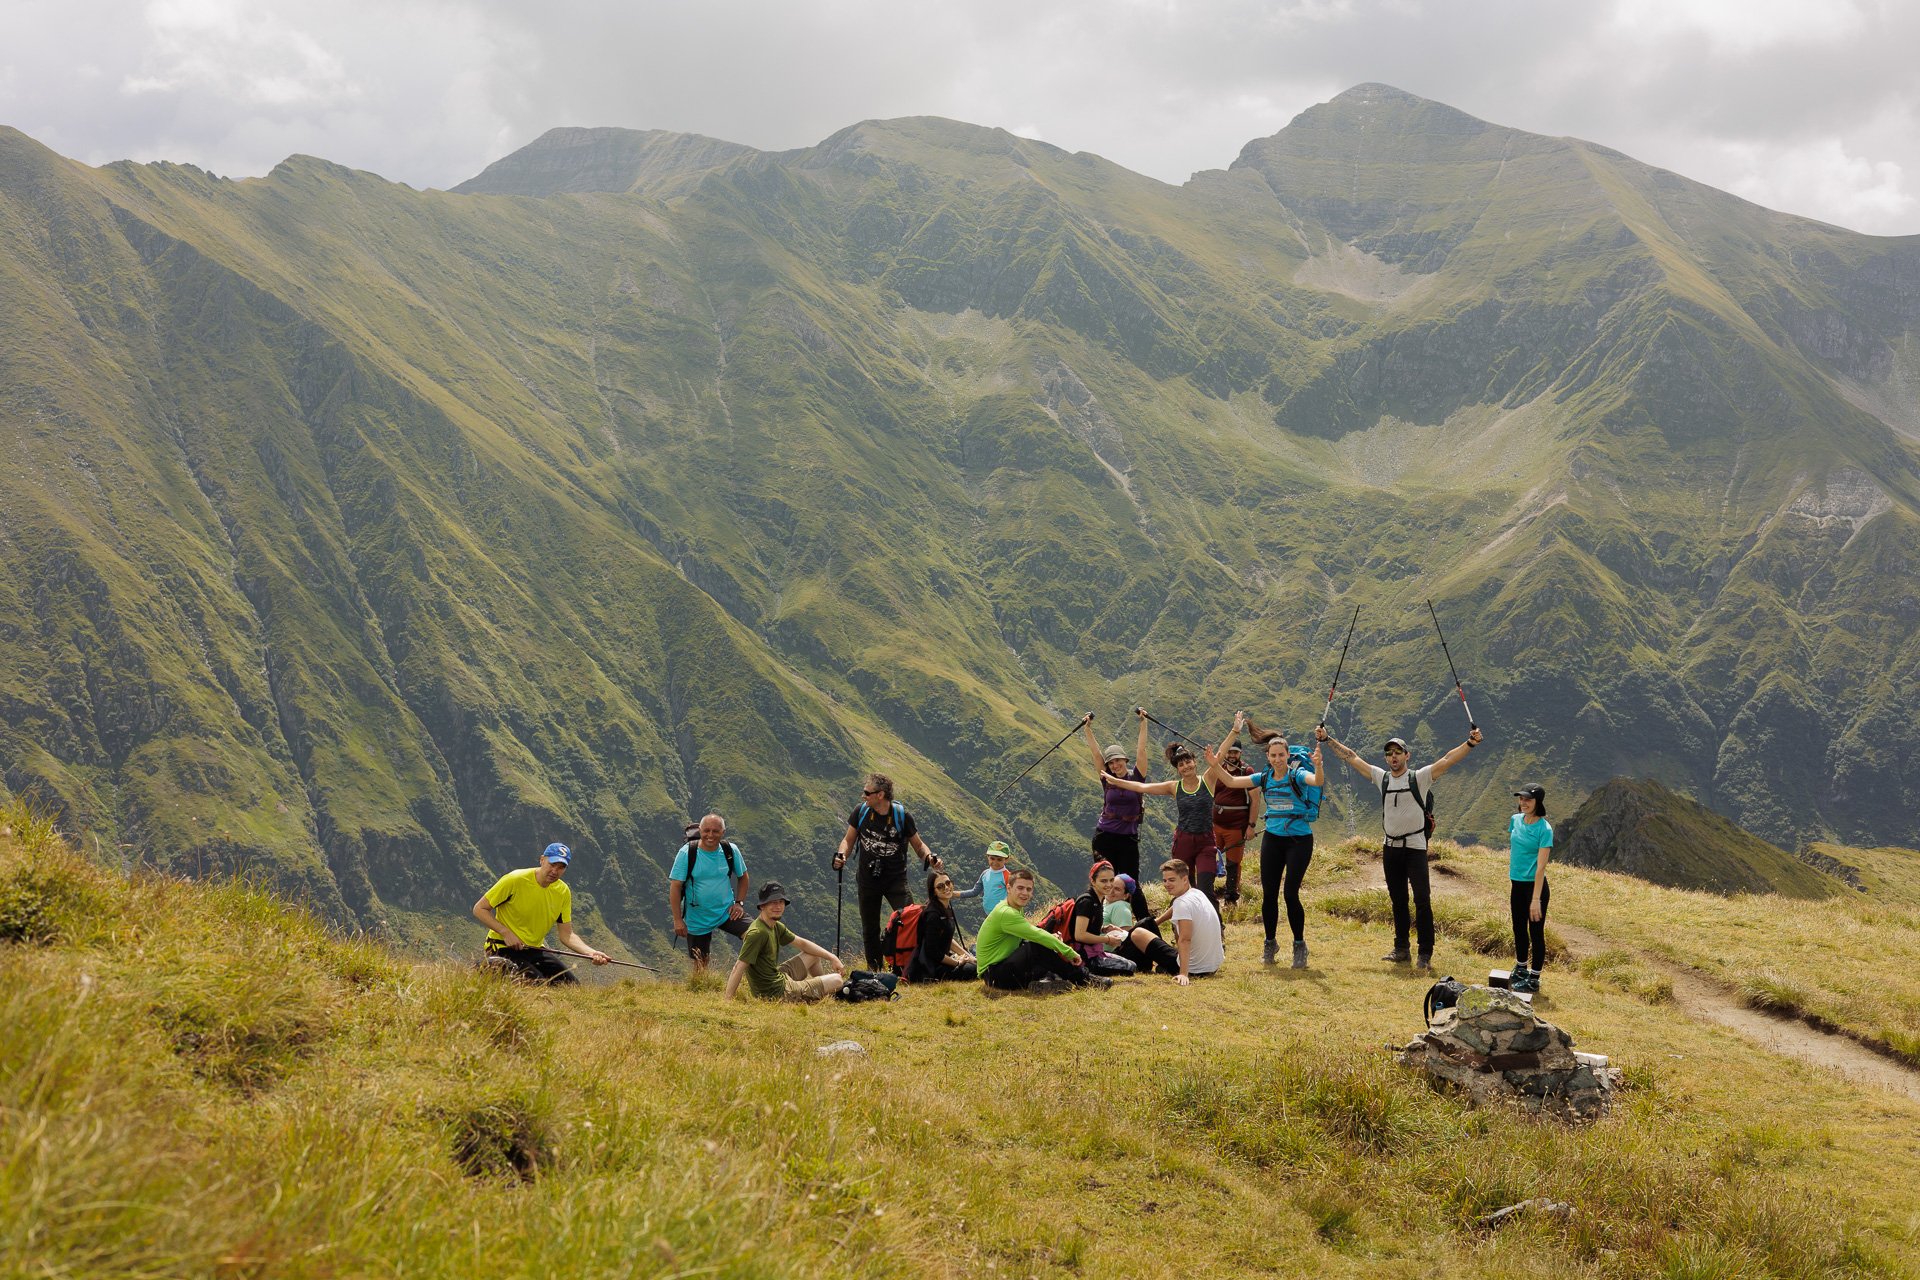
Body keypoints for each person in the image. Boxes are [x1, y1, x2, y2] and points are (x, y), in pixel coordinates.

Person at [1319, 725, 1484, 970]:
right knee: (1398, 900)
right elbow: (1352, 757)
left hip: (1415, 848)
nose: (1393, 757)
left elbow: (1448, 760)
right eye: (1389, 753)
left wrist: (1470, 743)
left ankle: (1425, 953)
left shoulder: (1419, 777)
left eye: (1398, 752)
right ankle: (1401, 949)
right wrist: (1327, 739)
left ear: (1407, 755)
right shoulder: (1381, 778)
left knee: (1422, 900)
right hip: (1390, 847)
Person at [1214, 713, 1326, 968]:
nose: (1277, 759)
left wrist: (1318, 765)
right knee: (1269, 895)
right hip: (1273, 840)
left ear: (1288, 756)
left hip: (1299, 840)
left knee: (1290, 894)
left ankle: (1299, 945)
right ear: (1268, 757)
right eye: (1273, 756)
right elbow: (1231, 781)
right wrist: (1215, 763)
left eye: (1281, 755)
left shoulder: (1297, 775)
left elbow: (1316, 781)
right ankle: (1270, 942)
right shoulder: (1263, 778)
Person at [1097, 718, 1236, 919]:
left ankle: (1216, 930)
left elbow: (1220, 755)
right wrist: (1117, 781)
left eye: (1188, 761)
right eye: (1181, 764)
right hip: (1183, 842)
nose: (1186, 766)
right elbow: (1142, 787)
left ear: (1195, 762)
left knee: (1205, 889)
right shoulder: (1174, 786)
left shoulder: (1208, 780)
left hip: (1206, 842)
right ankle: (1182, 929)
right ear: (1177, 769)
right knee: (1182, 890)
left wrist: (1234, 731)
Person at [833, 774, 942, 970]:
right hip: (867, 879)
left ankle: (910, 964)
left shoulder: (902, 816)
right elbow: (848, 839)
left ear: (880, 794)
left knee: (910, 919)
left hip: (895, 879)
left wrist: (929, 858)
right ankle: (874, 971)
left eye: (867, 792)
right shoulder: (861, 812)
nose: (863, 796)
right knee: (870, 928)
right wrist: (841, 855)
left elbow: (918, 844)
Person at [472, 842, 610, 983]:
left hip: (534, 950)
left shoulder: (562, 891)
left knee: (571, 987)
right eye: (552, 864)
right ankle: (487, 969)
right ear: (542, 860)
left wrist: (591, 953)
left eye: (561, 867)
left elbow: (567, 935)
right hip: (502, 946)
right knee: (537, 986)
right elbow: (479, 909)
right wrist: (506, 932)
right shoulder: (515, 880)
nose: (555, 871)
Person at [977, 869, 1109, 993]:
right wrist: (1068, 952)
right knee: (1037, 945)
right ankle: (1084, 980)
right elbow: (1037, 935)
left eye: (1029, 889)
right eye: (1020, 888)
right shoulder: (1006, 912)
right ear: (1009, 888)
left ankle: (1044, 982)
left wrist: (1050, 938)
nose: (1025, 893)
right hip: (994, 976)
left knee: (1043, 951)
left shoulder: (1014, 907)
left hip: (1002, 969)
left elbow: (1027, 935)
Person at [725, 882, 848, 1003]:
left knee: (814, 955)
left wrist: (832, 957)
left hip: (779, 977)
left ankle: (821, 992)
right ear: (762, 906)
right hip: (775, 993)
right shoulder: (758, 933)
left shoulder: (775, 926)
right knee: (837, 980)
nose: (778, 906)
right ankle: (820, 991)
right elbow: (738, 967)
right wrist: (728, 1001)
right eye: (773, 902)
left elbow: (802, 944)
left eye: (780, 902)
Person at [668, 814, 751, 974]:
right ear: (700, 830)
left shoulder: (730, 850)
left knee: (756, 934)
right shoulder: (687, 853)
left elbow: (744, 877)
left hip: (727, 911)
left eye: (715, 831)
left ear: (723, 832)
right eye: (706, 831)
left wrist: (739, 903)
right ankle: (701, 990)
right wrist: (678, 920)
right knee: (700, 963)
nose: (710, 835)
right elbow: (675, 887)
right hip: (698, 916)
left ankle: (751, 977)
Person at [1071, 859, 1181, 976]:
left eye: (1111, 881)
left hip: (1097, 952)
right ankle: (1176, 962)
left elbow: (1087, 929)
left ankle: (1173, 962)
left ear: (1126, 895)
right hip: (1090, 956)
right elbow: (1080, 935)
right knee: (1146, 925)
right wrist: (1107, 939)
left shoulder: (1099, 900)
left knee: (1145, 925)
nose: (1109, 886)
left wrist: (1103, 929)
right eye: (1103, 881)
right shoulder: (1088, 902)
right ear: (1093, 881)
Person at [1082, 711, 1152, 888]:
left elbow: (1141, 750)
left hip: (1128, 838)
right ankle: (1101, 914)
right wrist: (1087, 729)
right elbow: (1096, 754)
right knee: (1104, 882)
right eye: (1111, 763)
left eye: (1118, 760)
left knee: (1130, 883)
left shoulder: (1137, 777)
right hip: (1104, 836)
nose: (1115, 765)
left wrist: (1143, 723)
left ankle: (1134, 914)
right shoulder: (1106, 778)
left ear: (1125, 760)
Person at [1508, 784, 1554, 995]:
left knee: (1535, 932)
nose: (1523, 803)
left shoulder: (1544, 829)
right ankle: (1521, 969)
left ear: (1538, 802)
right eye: (1521, 799)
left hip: (1534, 888)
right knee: (1518, 927)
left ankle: (1534, 979)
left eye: (1528, 800)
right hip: (1516, 883)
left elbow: (1541, 867)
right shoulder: (1515, 820)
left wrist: (1536, 900)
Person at [1160, 858, 1224, 985]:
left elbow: (1185, 939)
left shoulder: (1181, 903)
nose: (1167, 884)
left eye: (1172, 880)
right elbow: (1178, 908)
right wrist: (1158, 920)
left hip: (1194, 969)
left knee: (1139, 933)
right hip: (1213, 966)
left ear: (1184, 879)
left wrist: (1183, 974)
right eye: (1165, 880)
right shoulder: (1196, 893)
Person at [909, 870, 978, 982]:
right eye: (940, 886)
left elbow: (947, 939)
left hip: (942, 961)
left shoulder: (945, 908)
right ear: (934, 891)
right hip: (933, 968)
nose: (946, 887)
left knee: (976, 961)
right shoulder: (933, 915)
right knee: (974, 970)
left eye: (948, 883)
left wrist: (969, 956)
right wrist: (958, 963)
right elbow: (932, 952)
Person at [1211, 739, 1258, 905]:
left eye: (1235, 752)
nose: (1231, 755)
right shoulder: (1218, 769)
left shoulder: (1246, 771)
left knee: (1233, 863)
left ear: (1240, 753)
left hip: (1236, 826)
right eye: (1229, 752)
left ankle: (1231, 898)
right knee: (1211, 858)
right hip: (1216, 824)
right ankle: (1208, 894)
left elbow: (1255, 799)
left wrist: (1251, 826)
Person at [950, 840, 1012, 919]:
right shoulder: (985, 874)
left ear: (1006, 859)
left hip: (1003, 915)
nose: (995, 862)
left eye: (999, 859)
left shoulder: (1008, 876)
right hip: (988, 914)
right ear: (987, 857)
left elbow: (1013, 896)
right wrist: (954, 894)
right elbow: (974, 892)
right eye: (992, 858)